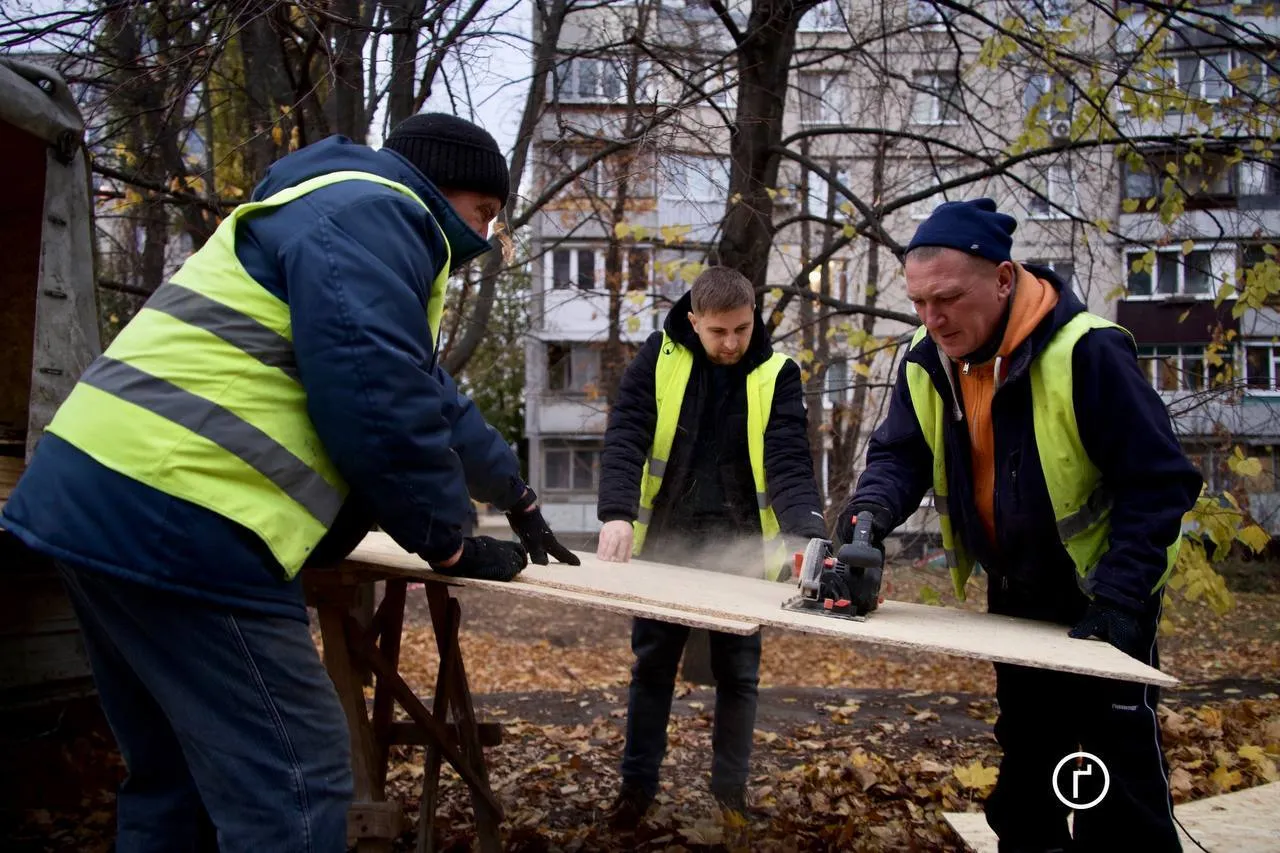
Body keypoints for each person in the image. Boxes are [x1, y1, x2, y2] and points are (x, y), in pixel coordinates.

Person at [0, 113, 578, 852]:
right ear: (443, 187)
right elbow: (377, 401)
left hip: (94, 492)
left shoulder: (328, 214)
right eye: (486, 213)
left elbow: (428, 394)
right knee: (296, 786)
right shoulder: (379, 215)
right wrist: (449, 544)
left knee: (176, 776)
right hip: (187, 516)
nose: (487, 234)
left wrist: (517, 496)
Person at [840, 198, 1201, 852]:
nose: (931, 318)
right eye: (919, 302)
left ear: (1004, 279)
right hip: (1017, 588)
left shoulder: (1087, 352)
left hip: (1105, 590)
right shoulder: (931, 357)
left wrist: (1121, 598)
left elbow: (1160, 482)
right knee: (1030, 764)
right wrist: (865, 520)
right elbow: (900, 453)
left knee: (1114, 773)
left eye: (946, 298)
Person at [595, 266, 828, 828]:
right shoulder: (659, 359)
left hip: (742, 551)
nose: (731, 344)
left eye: (742, 330)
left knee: (739, 674)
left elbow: (790, 463)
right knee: (652, 668)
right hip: (665, 544)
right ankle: (636, 790)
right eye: (719, 331)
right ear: (694, 321)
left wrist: (810, 534)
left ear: (754, 319)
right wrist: (617, 514)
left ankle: (730, 797)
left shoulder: (779, 375)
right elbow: (626, 434)